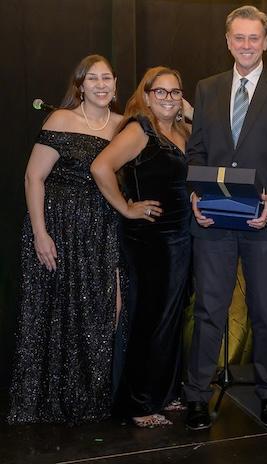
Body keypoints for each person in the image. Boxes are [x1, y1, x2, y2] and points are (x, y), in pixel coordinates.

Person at [184, 5, 267, 430]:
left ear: (265, 42)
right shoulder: (207, 88)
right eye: (240, 37)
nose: (247, 45)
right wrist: (196, 194)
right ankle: (196, 396)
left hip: (265, 221)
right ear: (228, 41)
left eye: (255, 38)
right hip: (214, 221)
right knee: (209, 311)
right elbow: (196, 151)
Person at [8, 55, 123, 425]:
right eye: (93, 78)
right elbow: (33, 178)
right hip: (58, 227)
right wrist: (40, 234)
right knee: (55, 310)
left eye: (107, 78)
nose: (101, 84)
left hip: (102, 230)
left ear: (116, 85)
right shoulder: (60, 119)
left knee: (102, 311)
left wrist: (185, 108)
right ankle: (48, 401)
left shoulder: (124, 127)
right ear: (80, 85)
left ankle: (90, 399)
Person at [91, 66, 192, 428]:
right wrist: (126, 207)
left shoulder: (180, 130)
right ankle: (137, 403)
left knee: (171, 318)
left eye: (175, 92)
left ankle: (165, 392)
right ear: (146, 95)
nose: (168, 98)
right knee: (150, 319)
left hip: (181, 237)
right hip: (151, 238)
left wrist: (185, 109)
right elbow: (101, 166)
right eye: (160, 92)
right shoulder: (140, 129)